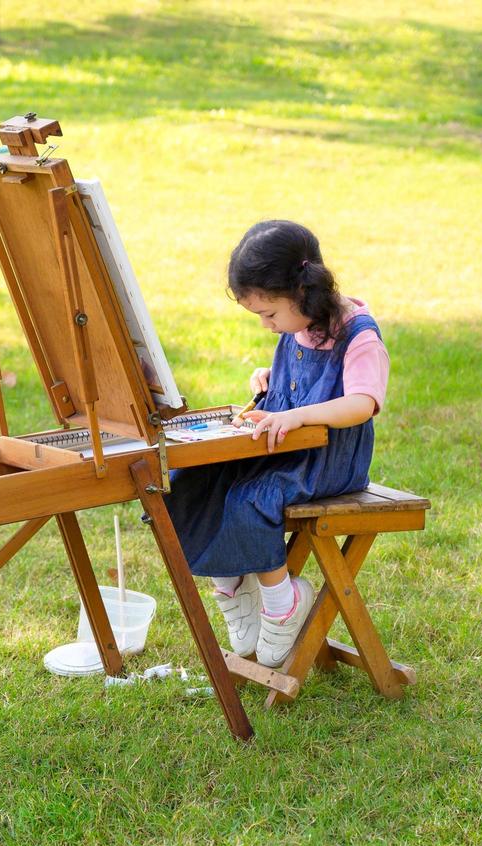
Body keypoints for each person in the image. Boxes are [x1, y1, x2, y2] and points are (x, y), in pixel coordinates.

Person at [164, 220, 390, 669]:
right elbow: (299, 381)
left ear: (303, 294)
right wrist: (273, 384)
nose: (269, 327)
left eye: (270, 314)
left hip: (328, 461)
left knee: (254, 497)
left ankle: (282, 600)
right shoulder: (298, 324)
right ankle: (231, 585)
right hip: (287, 449)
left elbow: (362, 403)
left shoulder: (358, 335)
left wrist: (298, 412)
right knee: (188, 479)